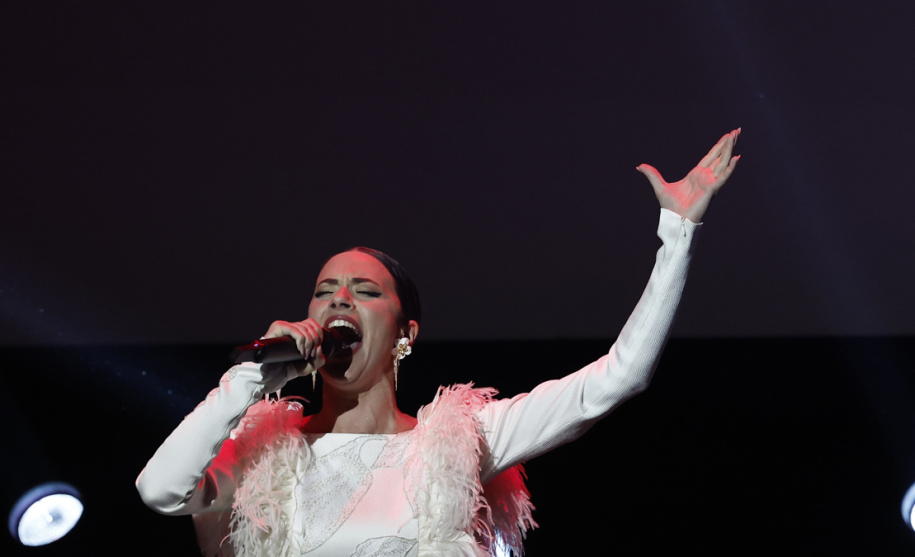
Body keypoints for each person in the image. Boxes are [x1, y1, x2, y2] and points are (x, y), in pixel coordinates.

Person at [136, 130, 741, 557]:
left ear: (405, 335)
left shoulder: (458, 441)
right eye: (324, 291)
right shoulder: (263, 456)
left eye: (364, 291)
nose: (339, 300)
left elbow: (617, 378)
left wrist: (678, 234)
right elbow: (159, 491)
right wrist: (253, 379)